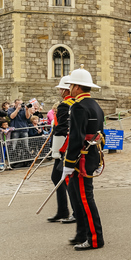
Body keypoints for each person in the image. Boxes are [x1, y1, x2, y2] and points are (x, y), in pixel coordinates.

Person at [62, 67, 105, 251]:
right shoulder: (95, 105)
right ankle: (83, 233)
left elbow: (76, 138)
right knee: (81, 198)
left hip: (81, 160)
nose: (70, 88)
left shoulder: (79, 106)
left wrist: (68, 163)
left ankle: (95, 239)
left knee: (86, 199)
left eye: (71, 85)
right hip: (92, 157)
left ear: (78, 87)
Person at [48, 76, 75, 223]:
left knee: (64, 179)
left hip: (63, 147)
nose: (59, 91)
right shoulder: (76, 103)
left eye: (60, 88)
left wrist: (56, 151)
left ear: (65, 90)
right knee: (57, 177)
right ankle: (63, 210)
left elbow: (61, 130)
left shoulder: (64, 105)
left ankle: (73, 211)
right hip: (70, 145)